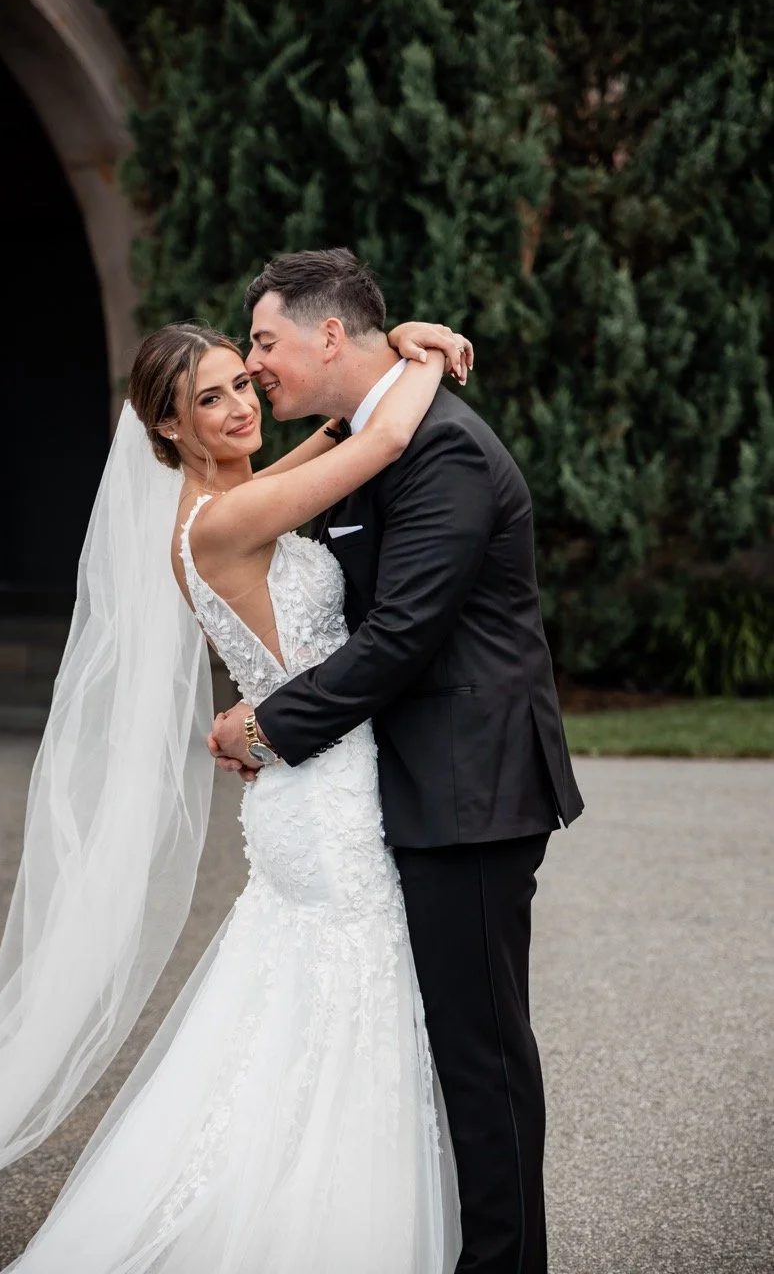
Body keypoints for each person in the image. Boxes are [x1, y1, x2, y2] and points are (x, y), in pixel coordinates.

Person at [0, 312, 475, 1273]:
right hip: (325, 803)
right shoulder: (220, 521)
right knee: (350, 1010)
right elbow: (381, 438)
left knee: (301, 1016)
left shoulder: (231, 498)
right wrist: (427, 350)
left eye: (241, 383)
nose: (239, 407)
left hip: (307, 778)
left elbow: (333, 436)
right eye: (208, 399)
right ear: (168, 427)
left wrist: (388, 344)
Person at [210, 247, 585, 1274]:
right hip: (413, 783)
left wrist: (266, 728)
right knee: (439, 1045)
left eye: (265, 341)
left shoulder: (443, 449)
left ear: (329, 334)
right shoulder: (372, 436)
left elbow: (401, 635)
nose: (254, 363)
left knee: (480, 1053)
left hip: (473, 788)